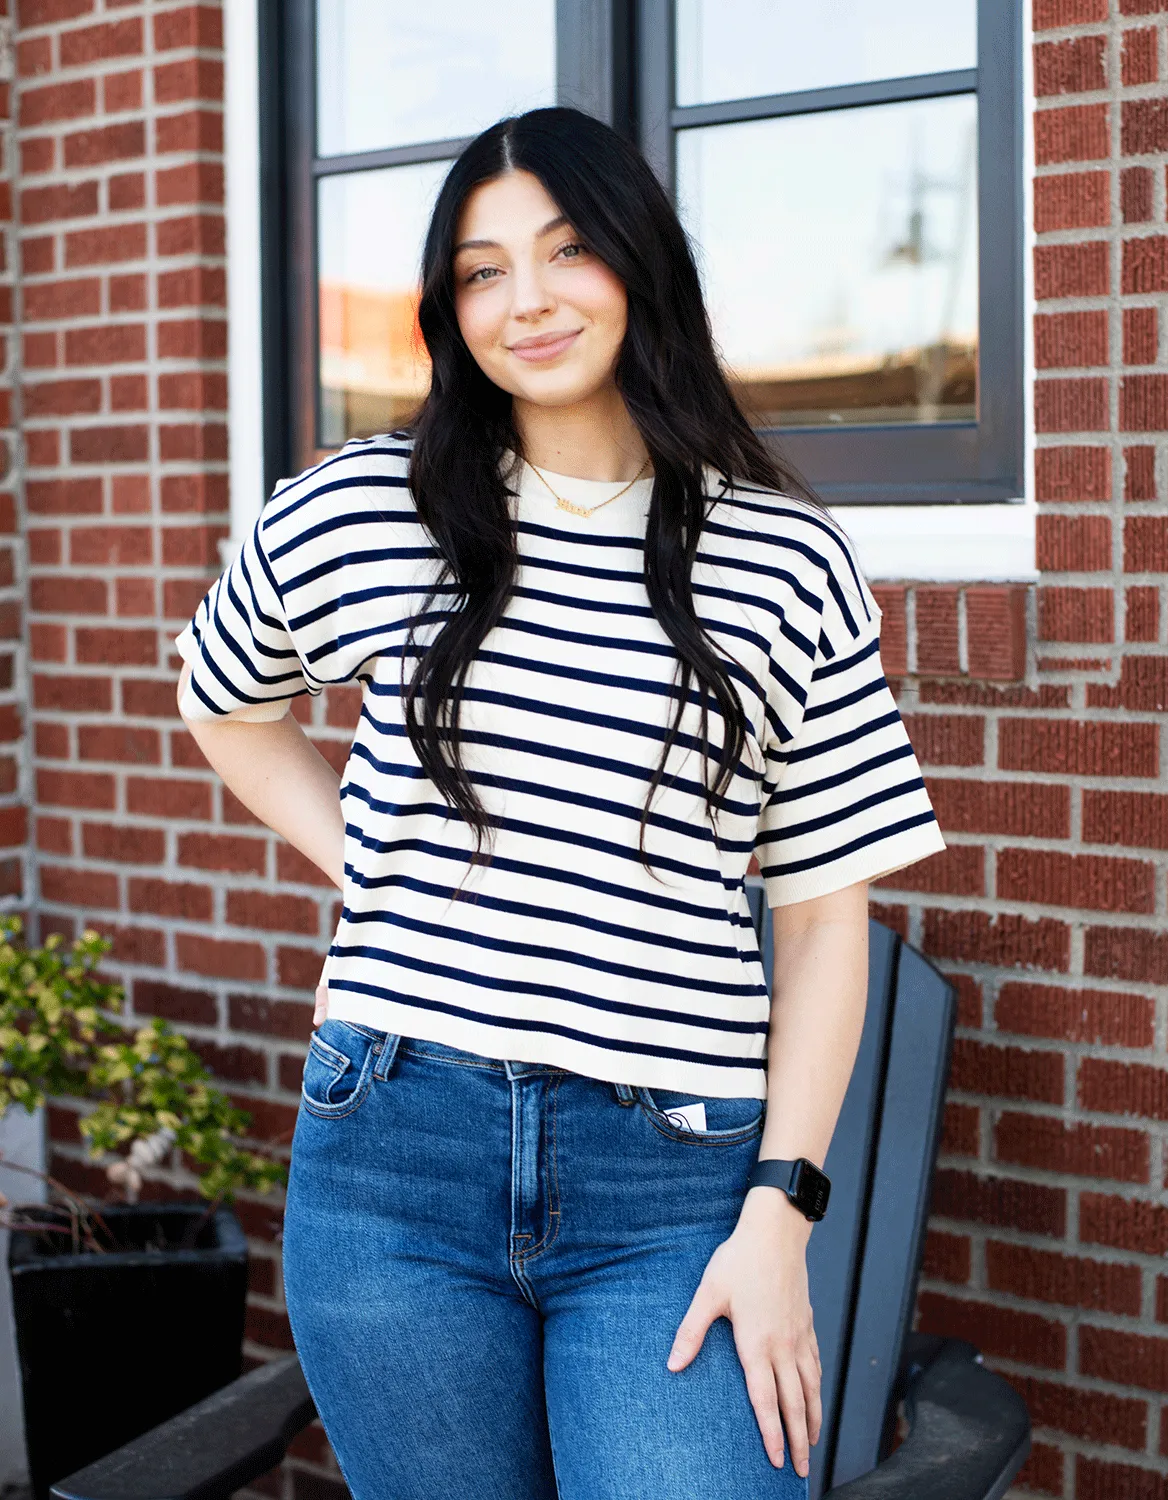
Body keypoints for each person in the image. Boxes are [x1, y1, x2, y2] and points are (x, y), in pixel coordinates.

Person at [177, 106, 945, 1500]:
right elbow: (223, 699)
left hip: (673, 1183)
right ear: (447, 307)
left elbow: (828, 919)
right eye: (480, 271)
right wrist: (373, 857)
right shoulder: (361, 509)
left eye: (567, 251)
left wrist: (782, 1213)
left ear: (640, 264)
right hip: (395, 1154)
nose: (524, 301)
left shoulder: (781, 559)